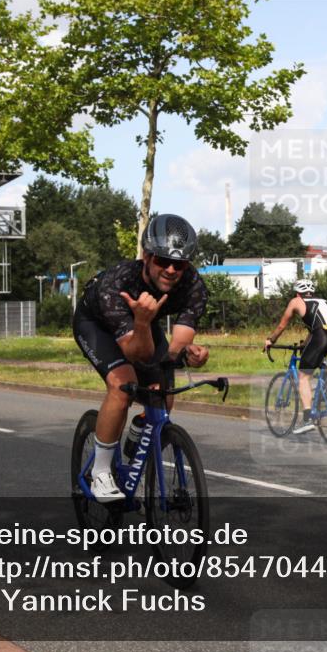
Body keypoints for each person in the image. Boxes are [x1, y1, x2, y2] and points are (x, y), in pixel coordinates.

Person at [73, 214, 209, 501]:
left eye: (180, 263)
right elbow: (137, 354)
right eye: (162, 260)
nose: (171, 270)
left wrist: (187, 353)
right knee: (123, 385)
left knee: (164, 392)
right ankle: (100, 472)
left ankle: (140, 426)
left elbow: (175, 346)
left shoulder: (193, 285)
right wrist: (142, 323)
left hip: (142, 323)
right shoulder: (118, 284)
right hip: (97, 324)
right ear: (146, 256)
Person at [263, 278, 327, 434]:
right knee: (317, 360)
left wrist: (271, 340)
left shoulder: (296, 301)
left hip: (322, 338)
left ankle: (307, 419)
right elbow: (316, 328)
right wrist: (305, 344)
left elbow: (282, 325)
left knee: (303, 377)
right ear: (311, 292)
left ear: (297, 293)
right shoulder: (322, 302)